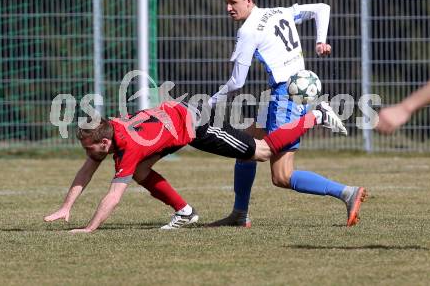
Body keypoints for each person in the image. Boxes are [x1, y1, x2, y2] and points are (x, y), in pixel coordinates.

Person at [44, 99, 357, 233]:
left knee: (261, 152)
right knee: (140, 172)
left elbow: (113, 196)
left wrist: (89, 229)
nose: (88, 154)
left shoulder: (130, 148)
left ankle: (315, 116)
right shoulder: (108, 129)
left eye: (89, 149)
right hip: (174, 126)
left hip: (198, 124)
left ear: (104, 143)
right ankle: (185, 212)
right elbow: (88, 167)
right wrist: (66, 207)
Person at [208, 0, 366, 228]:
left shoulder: (248, 31)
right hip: (287, 91)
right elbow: (322, 8)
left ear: (248, 0)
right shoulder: (278, 12)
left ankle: (347, 192)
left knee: (281, 176)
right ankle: (239, 214)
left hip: (285, 96)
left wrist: (209, 104)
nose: (228, 8)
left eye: (232, 2)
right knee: (243, 149)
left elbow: (237, 83)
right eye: (226, 3)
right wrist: (320, 40)